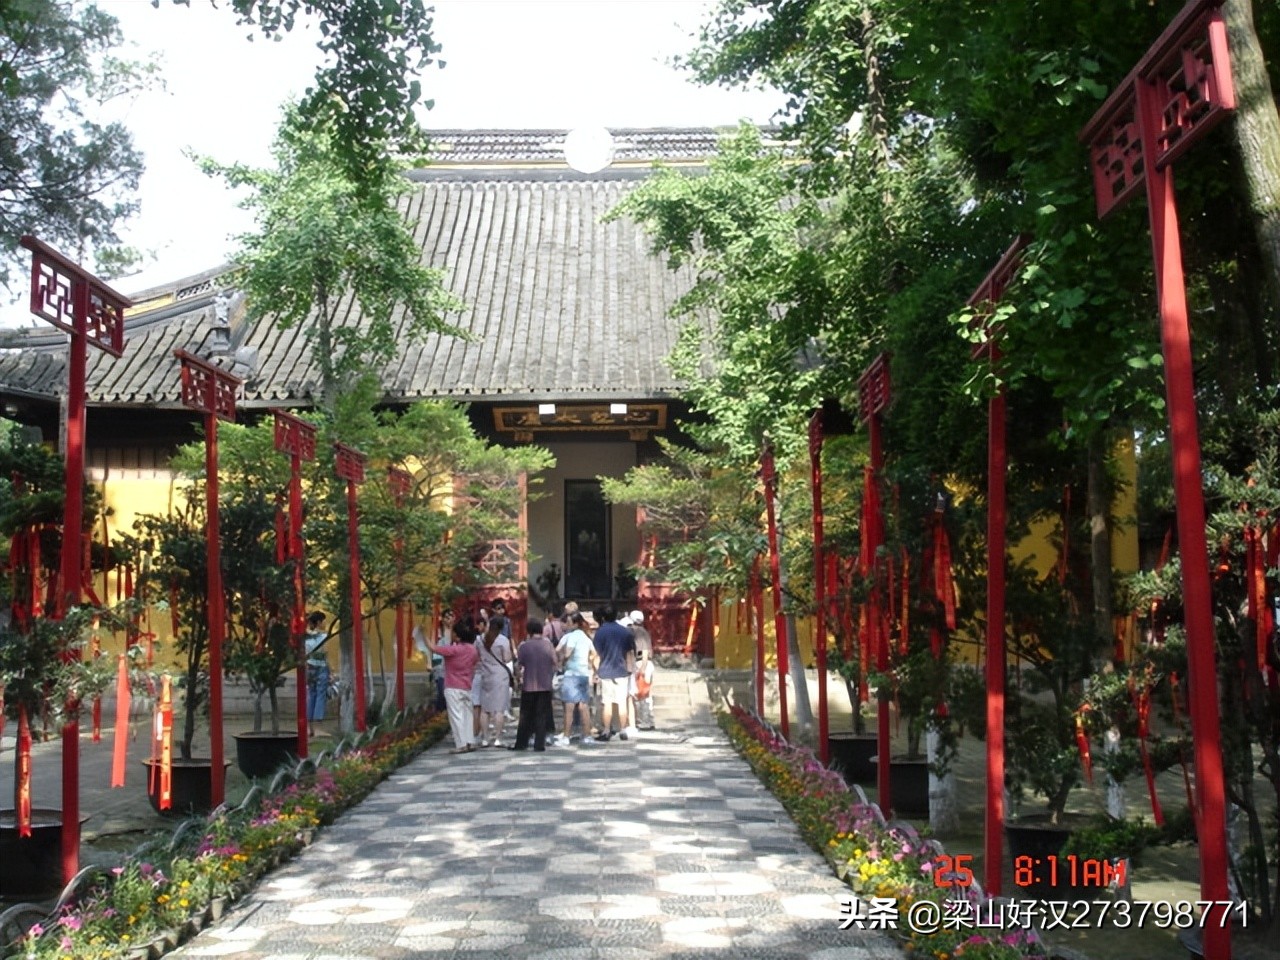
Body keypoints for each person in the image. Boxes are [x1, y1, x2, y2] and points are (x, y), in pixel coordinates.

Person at [424, 616, 480, 754]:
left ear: (459, 637)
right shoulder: (473, 650)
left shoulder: (453, 650)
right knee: (467, 716)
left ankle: (460, 744)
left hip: (453, 686)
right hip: (467, 685)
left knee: (456, 716)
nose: (452, 635)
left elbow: (433, 648)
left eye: (454, 633)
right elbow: (474, 665)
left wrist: (423, 634)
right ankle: (470, 741)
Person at [592, 605, 636, 740]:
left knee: (607, 702)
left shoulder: (600, 632)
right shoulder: (625, 632)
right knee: (622, 702)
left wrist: (595, 671)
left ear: (603, 617)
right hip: (622, 671)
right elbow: (630, 653)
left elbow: (596, 655)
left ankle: (606, 730)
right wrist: (630, 670)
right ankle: (623, 730)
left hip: (605, 671)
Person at [511, 618, 556, 751]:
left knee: (525, 715)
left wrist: (518, 678)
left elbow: (519, 665)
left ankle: (521, 743)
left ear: (529, 631)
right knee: (541, 715)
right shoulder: (548, 645)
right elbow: (555, 662)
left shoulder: (524, 646)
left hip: (529, 685)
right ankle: (539, 744)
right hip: (545, 685)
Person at [555, 611, 596, 745]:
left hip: (572, 674)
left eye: (569, 622)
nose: (567, 625)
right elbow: (594, 653)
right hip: (583, 673)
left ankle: (566, 736)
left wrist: (562, 661)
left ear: (575, 623)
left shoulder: (572, 636)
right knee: (584, 706)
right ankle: (587, 735)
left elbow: (567, 652)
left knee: (569, 706)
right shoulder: (586, 637)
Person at [474, 615, 514, 746]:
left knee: (485, 709)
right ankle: (498, 738)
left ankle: (485, 738)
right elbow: (507, 659)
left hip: (485, 674)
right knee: (499, 709)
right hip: (500, 675)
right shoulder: (503, 640)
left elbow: (476, 656)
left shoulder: (479, 639)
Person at [303, 611, 330, 738]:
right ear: (319, 622)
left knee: (311, 695)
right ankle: (318, 727)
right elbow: (325, 653)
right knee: (320, 695)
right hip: (321, 667)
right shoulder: (324, 637)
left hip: (309, 667)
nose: (325, 624)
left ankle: (310, 728)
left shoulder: (306, 637)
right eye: (324, 621)